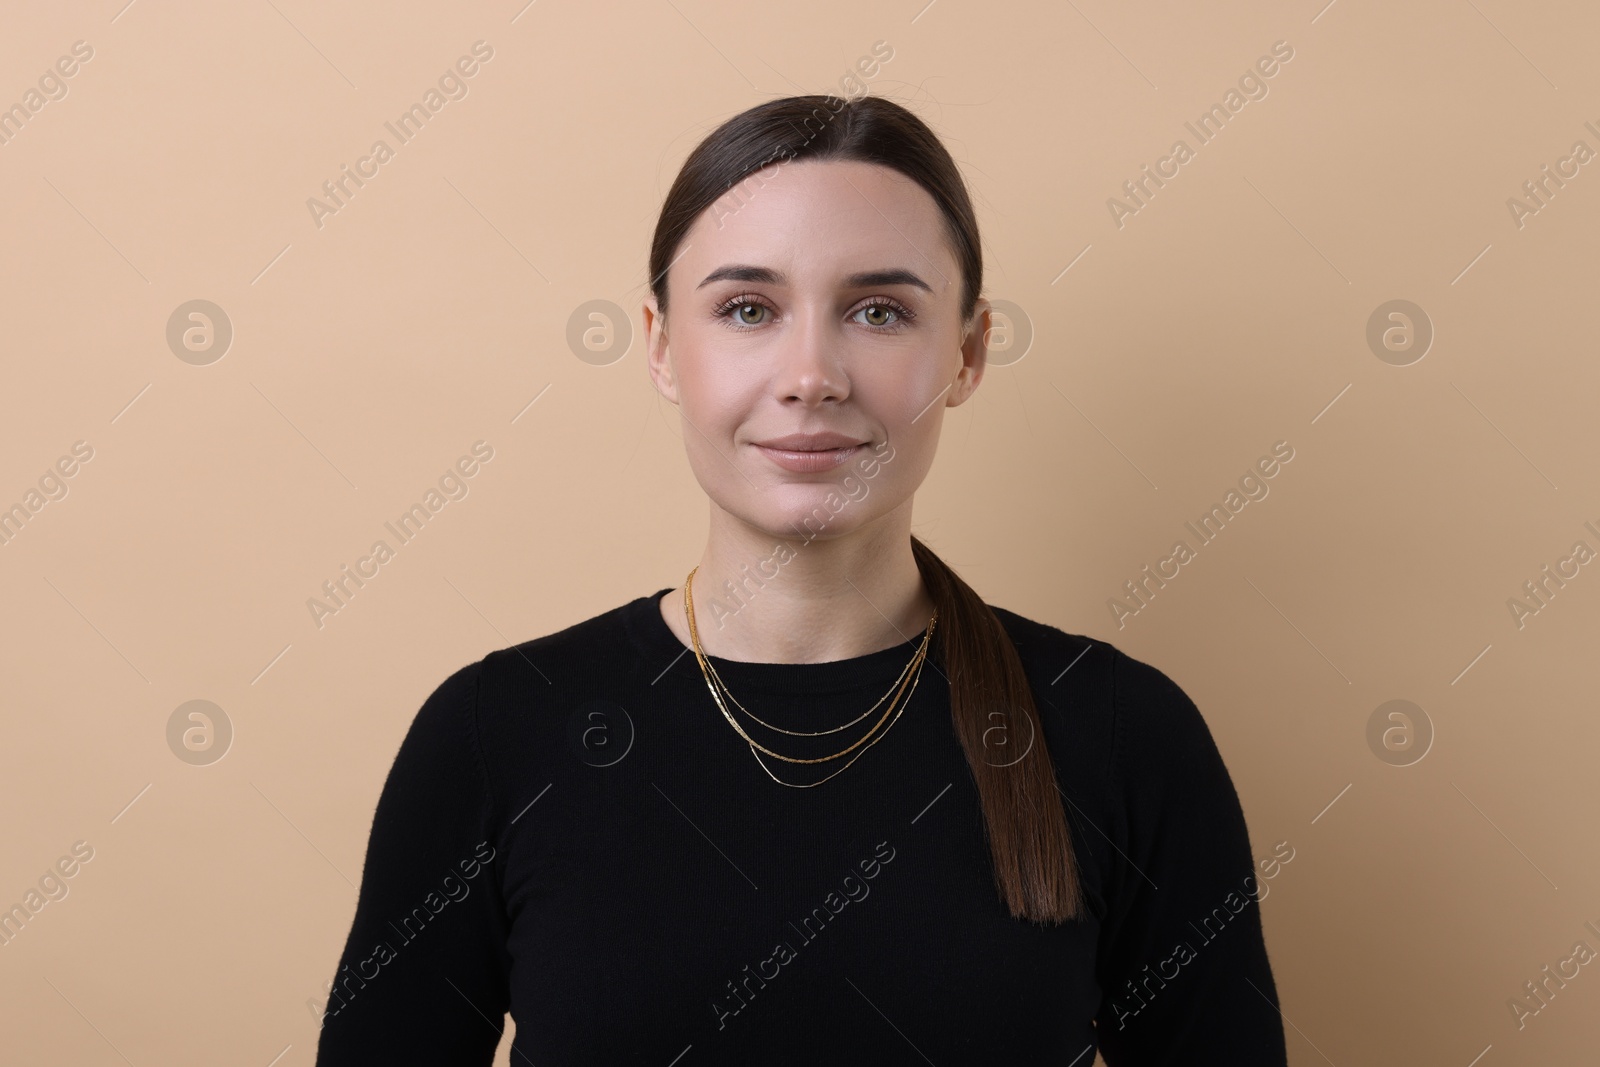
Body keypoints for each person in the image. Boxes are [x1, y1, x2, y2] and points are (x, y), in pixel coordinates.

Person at [313, 93, 1288, 1065]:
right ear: (660, 344)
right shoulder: (494, 735)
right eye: (748, 308)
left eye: (878, 310)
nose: (811, 373)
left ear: (968, 349)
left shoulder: (1125, 735)